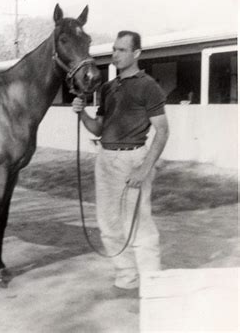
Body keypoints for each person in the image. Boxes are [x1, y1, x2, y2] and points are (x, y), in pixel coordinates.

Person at [72, 30, 169, 294]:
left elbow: (163, 131)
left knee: (140, 225)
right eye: (114, 49)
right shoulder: (107, 88)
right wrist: (82, 114)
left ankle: (153, 284)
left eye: (122, 50)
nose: (115, 54)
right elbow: (97, 129)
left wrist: (144, 167)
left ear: (136, 53)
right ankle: (127, 277)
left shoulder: (148, 86)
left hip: (133, 158)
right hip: (105, 158)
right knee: (109, 225)